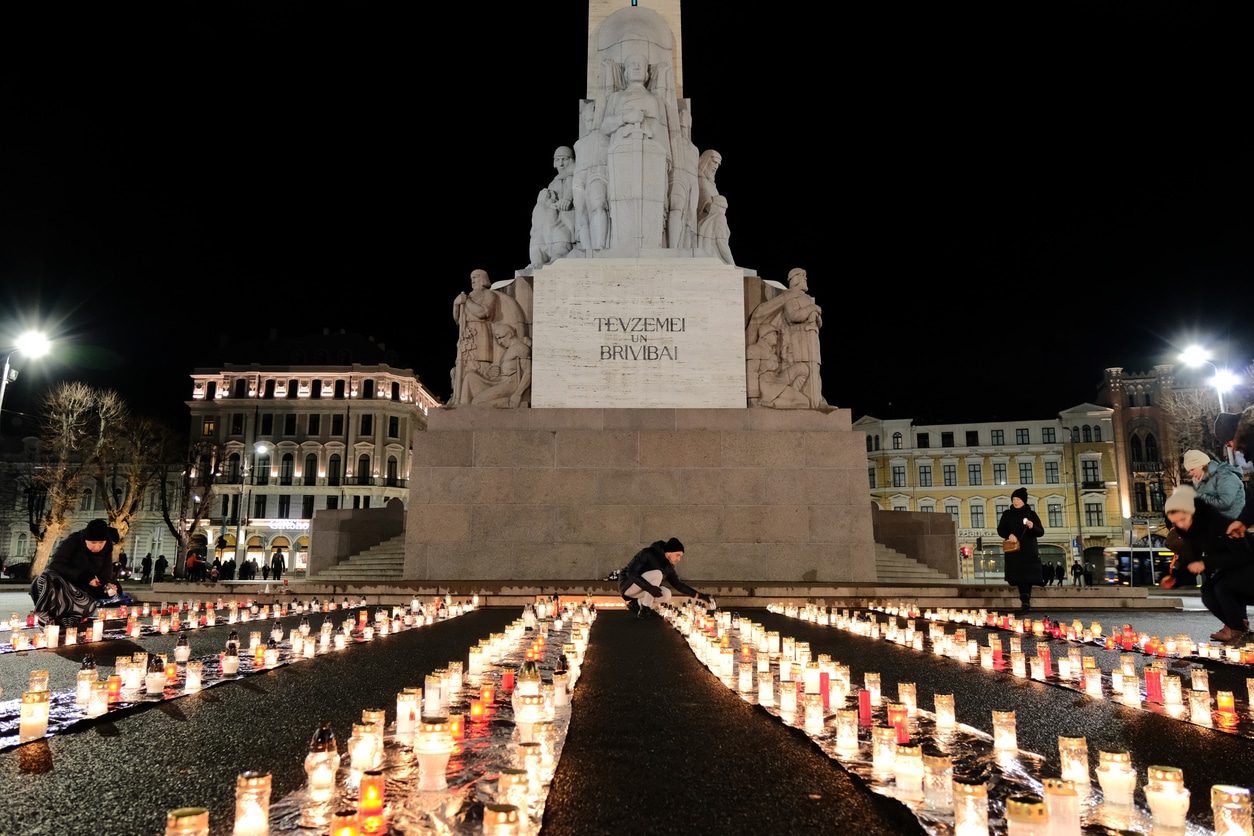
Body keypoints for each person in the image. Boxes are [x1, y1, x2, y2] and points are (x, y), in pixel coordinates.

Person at [1162, 485, 1253, 643]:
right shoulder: (1191, 532)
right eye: (1176, 522)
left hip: (1249, 565)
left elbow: (1243, 555)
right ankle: (1237, 628)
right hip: (1232, 569)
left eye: (1182, 519)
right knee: (1208, 594)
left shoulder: (1219, 524)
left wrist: (1206, 563)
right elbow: (1190, 561)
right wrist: (1175, 578)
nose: (1181, 525)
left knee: (1222, 588)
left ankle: (1239, 634)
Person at [30, 518, 118, 629]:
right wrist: (84, 576)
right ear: (85, 539)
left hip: (83, 593)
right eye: (93, 543)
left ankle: (67, 620)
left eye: (101, 543)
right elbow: (55, 565)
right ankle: (44, 614)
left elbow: (105, 575)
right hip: (63, 584)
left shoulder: (107, 548)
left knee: (87, 605)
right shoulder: (72, 542)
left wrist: (107, 587)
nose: (97, 547)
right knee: (46, 578)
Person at [618, 537, 715, 618]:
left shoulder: (668, 566)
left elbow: (678, 585)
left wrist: (699, 595)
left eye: (680, 556)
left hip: (641, 589)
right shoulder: (648, 553)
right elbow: (631, 573)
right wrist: (649, 587)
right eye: (677, 555)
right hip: (628, 585)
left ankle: (637, 604)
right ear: (669, 552)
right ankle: (645, 609)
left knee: (666, 594)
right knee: (657, 574)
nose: (679, 559)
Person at [998, 487, 1045, 612]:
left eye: (1018, 499)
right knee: (1018, 574)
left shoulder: (1031, 514)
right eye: (1013, 499)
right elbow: (1000, 529)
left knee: (1028, 575)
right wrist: (1009, 535)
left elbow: (1041, 532)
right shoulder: (1007, 514)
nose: (1015, 501)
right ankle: (1025, 598)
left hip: (1029, 550)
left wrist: (1032, 526)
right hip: (1014, 550)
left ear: (1024, 500)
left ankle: (1025, 599)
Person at [1183, 449, 1245, 521]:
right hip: (1215, 525)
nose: (1190, 474)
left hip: (1231, 525)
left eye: (1192, 469)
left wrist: (1199, 496)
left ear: (1201, 465)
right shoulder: (1201, 481)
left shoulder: (1225, 475)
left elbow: (1225, 503)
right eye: (1188, 471)